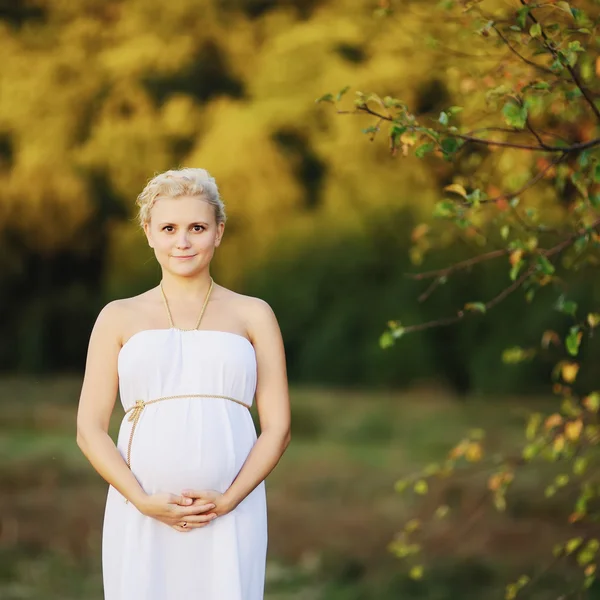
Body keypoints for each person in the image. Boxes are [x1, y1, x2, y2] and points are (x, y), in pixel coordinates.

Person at [76, 167, 291, 600]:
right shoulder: (117, 316)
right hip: (142, 510)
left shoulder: (254, 314)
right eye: (169, 228)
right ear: (149, 232)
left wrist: (229, 500)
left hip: (231, 511)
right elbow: (89, 429)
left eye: (197, 227)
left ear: (218, 232)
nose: (183, 241)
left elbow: (278, 428)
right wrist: (140, 499)